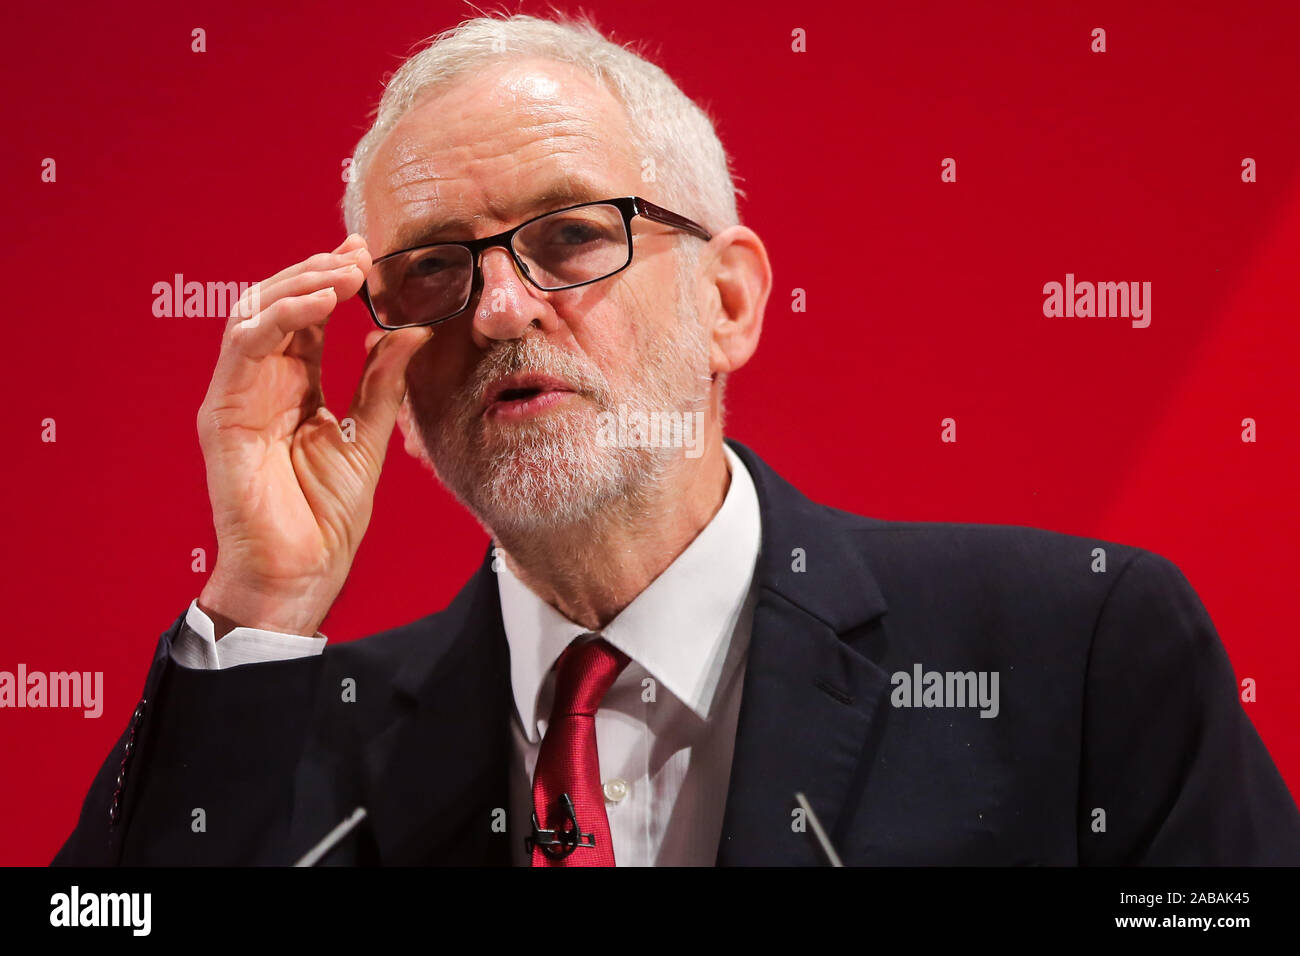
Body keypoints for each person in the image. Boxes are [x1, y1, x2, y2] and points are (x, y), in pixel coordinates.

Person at [53, 13, 1300, 867]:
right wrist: (260, 597)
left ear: (728, 302)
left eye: (569, 236)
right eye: (434, 268)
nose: (496, 307)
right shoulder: (288, 727)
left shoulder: (1075, 651)